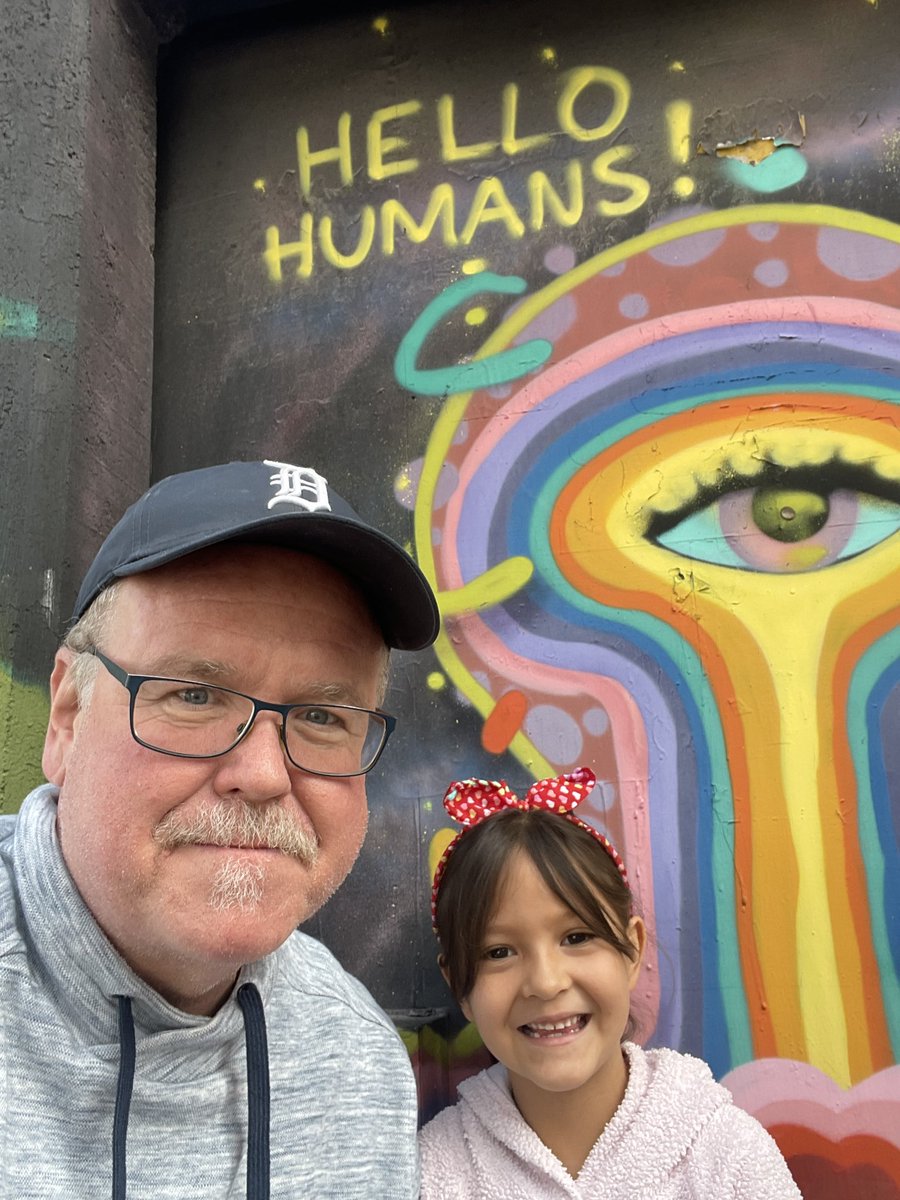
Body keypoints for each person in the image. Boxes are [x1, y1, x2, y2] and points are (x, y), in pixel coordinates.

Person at [0, 458, 440, 1199]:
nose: (263, 775)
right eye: (196, 696)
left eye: (322, 716)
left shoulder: (356, 1064)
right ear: (68, 718)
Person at [419, 767, 802, 1199]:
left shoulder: (728, 1157)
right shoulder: (433, 1176)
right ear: (459, 986)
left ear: (632, 950)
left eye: (576, 938)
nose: (546, 982)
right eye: (499, 952)